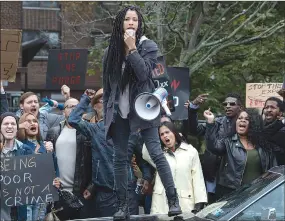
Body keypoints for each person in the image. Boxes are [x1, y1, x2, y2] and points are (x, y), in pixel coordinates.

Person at [102, 5, 181, 219]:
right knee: (120, 159)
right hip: (120, 112)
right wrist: (108, 112)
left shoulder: (148, 46)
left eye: (134, 20)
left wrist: (132, 49)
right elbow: (108, 87)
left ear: (139, 24)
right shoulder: (110, 51)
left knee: (156, 153)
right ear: (120, 23)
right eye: (127, 19)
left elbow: (144, 73)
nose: (131, 23)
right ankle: (122, 206)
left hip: (144, 110)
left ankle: (173, 200)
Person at [204, 108, 277, 200]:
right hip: (230, 194)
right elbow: (213, 147)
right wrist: (210, 122)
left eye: (247, 119)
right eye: (239, 118)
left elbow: (273, 171)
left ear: (253, 124)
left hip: (255, 196)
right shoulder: (228, 142)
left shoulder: (264, 146)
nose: (242, 120)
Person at [185, 92, 242, 203]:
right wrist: (193, 108)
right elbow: (194, 130)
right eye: (225, 104)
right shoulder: (216, 122)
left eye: (232, 104)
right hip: (213, 175)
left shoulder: (247, 124)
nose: (228, 106)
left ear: (240, 107)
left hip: (235, 178)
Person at [142, 121, 207, 214]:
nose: (165, 136)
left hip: (185, 204)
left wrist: (199, 202)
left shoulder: (191, 152)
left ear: (175, 133)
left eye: (167, 132)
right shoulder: (159, 155)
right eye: (161, 134)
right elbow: (145, 153)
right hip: (161, 205)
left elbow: (198, 178)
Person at [46, 97, 93, 220]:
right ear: (63, 112)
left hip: (81, 192)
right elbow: (47, 161)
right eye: (70, 106)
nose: (73, 109)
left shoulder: (88, 132)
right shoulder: (53, 132)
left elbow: (95, 161)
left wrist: (91, 186)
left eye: (76, 107)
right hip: (58, 192)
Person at [17, 113, 60, 221]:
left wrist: (56, 180)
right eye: (29, 121)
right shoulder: (19, 146)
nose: (33, 123)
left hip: (42, 197)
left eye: (35, 121)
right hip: (25, 197)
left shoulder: (46, 146)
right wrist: (19, 126)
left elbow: (54, 169)